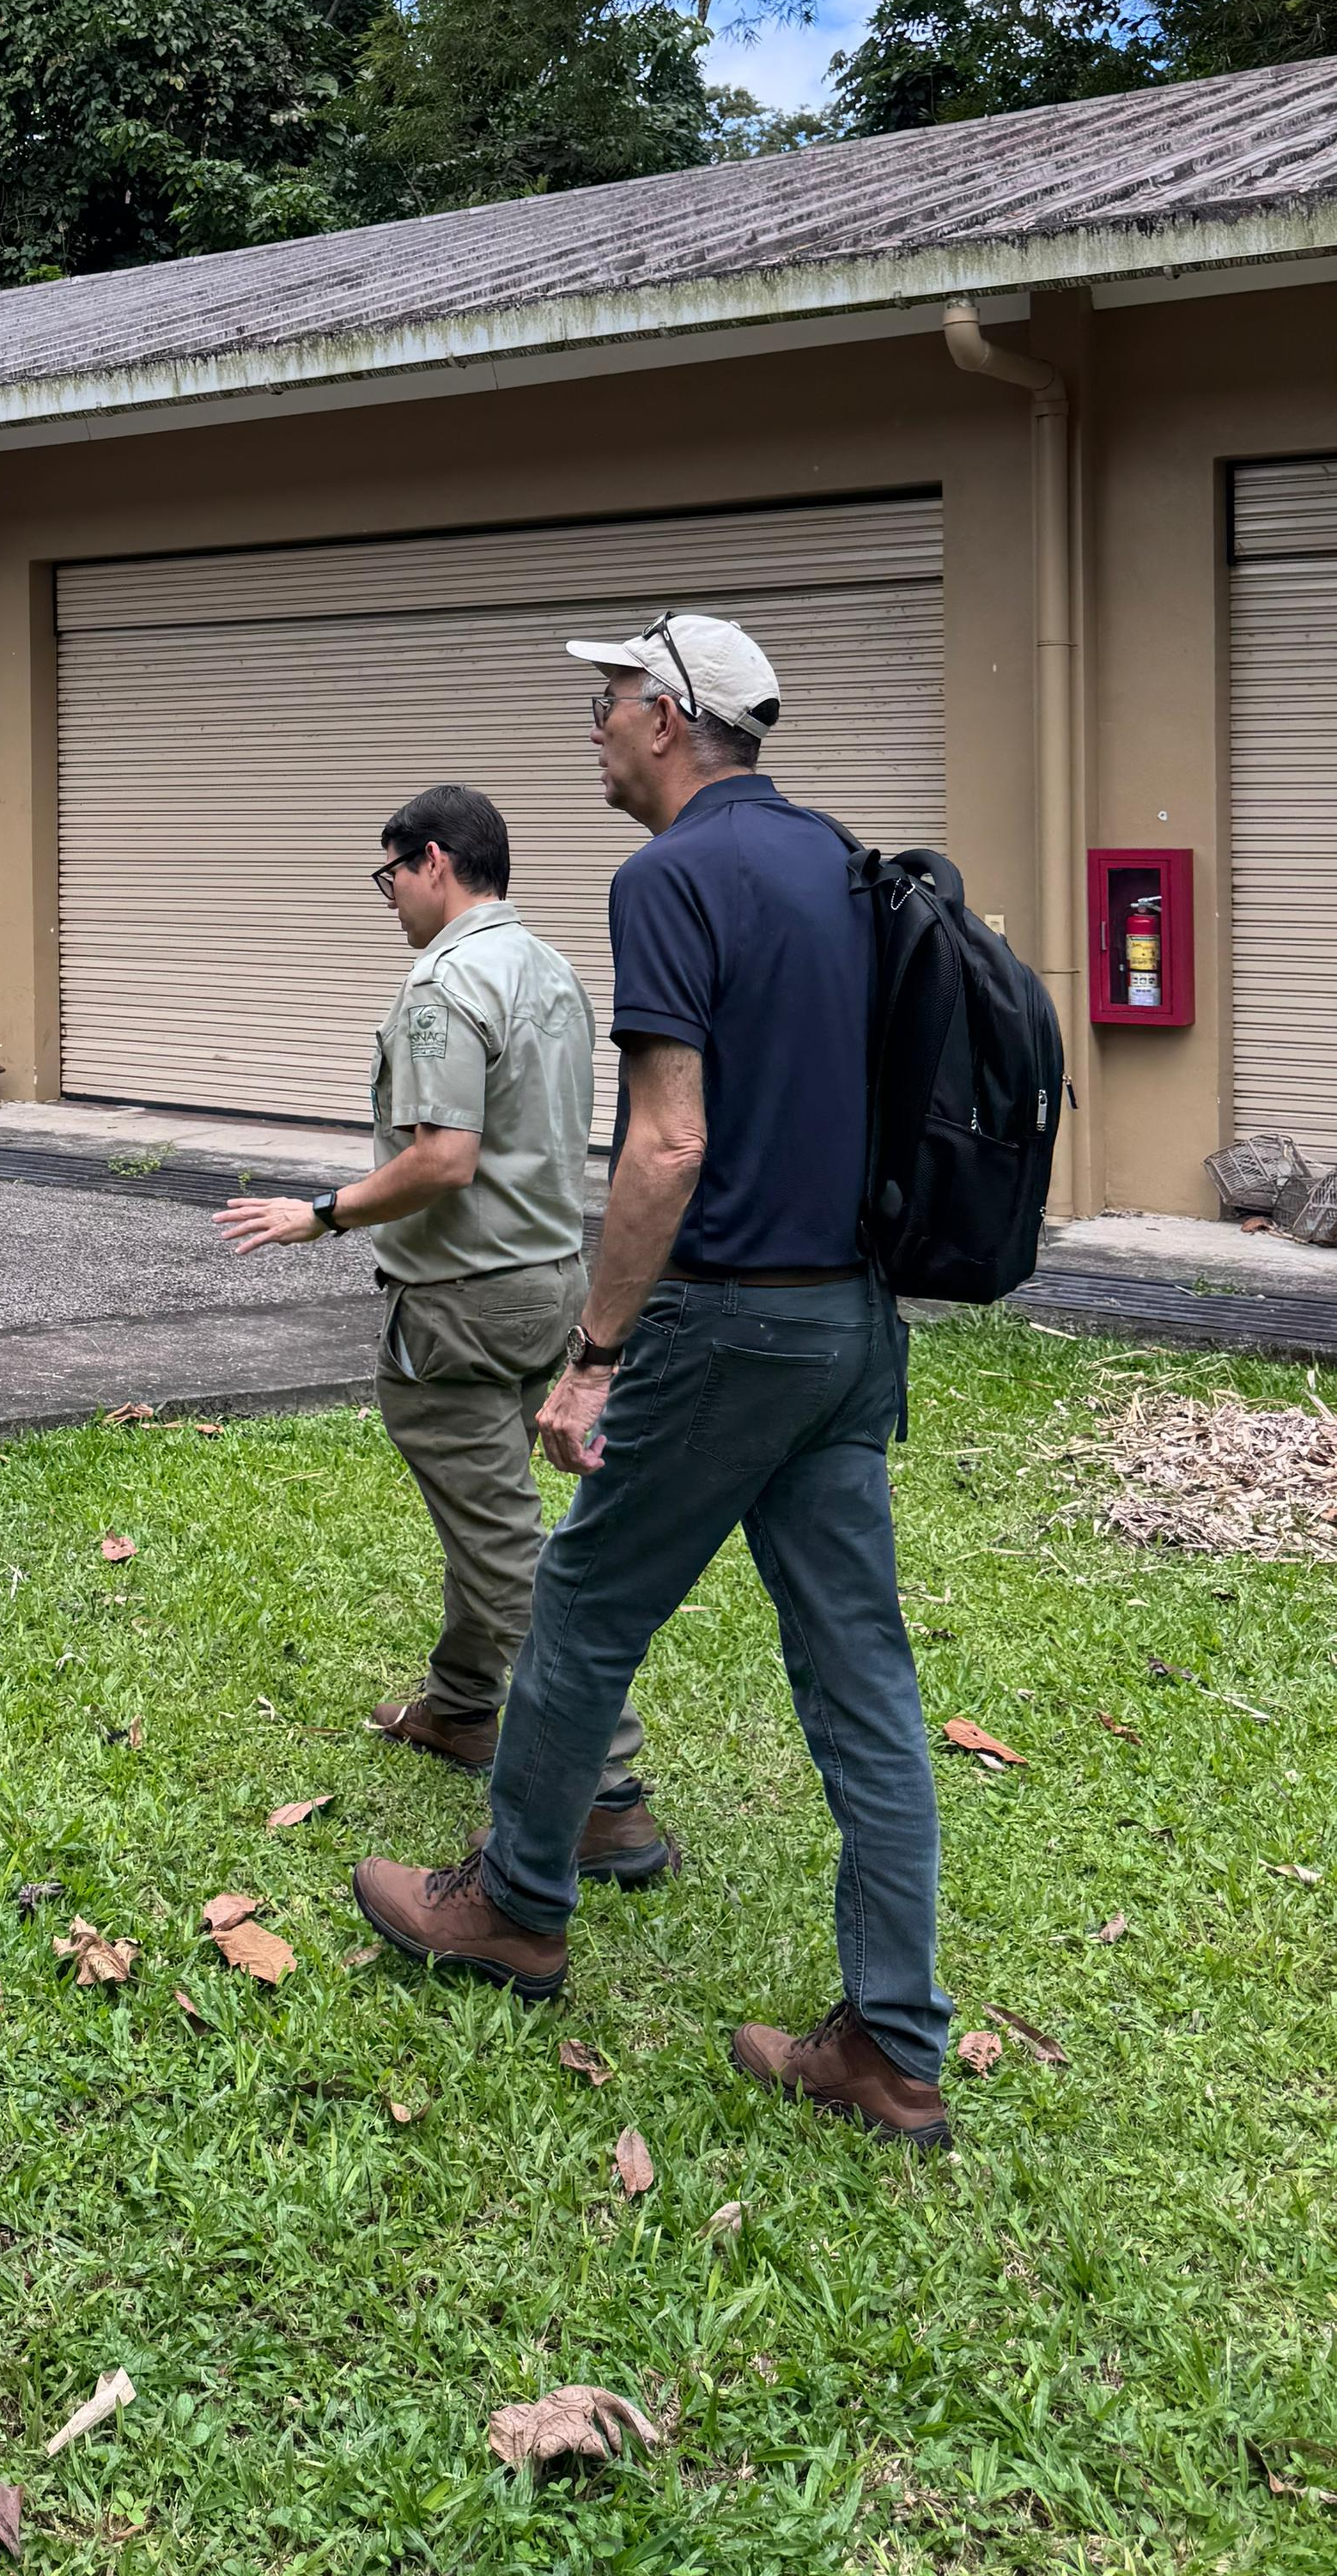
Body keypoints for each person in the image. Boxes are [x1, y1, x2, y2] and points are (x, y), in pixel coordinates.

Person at [348, 612, 955, 2152]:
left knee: (580, 1607)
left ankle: (512, 1906)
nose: (596, 724)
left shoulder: (671, 877)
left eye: (611, 698)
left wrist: (597, 1358)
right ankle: (894, 2047)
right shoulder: (839, 863)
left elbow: (669, 1144)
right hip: (850, 1326)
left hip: (728, 1317)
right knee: (866, 1683)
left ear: (672, 718)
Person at [214, 781, 674, 1891]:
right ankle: (465, 1709)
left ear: (432, 861)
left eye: (389, 877)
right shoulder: (551, 971)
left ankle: (606, 1795)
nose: (388, 901)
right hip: (548, 1284)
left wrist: (321, 1212)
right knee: (489, 1514)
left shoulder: (445, 982)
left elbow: (443, 1158)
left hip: (461, 1302)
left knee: (502, 1539)